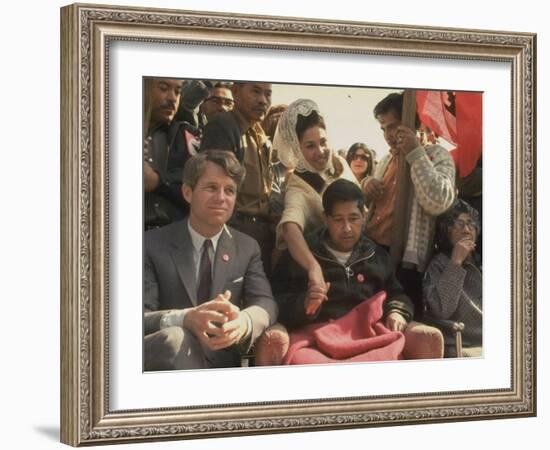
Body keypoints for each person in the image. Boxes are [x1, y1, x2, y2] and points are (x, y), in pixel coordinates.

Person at [266, 180, 444, 365]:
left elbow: (397, 293)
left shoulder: (376, 254)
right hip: (316, 340)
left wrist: (397, 312)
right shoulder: (303, 253)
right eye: (338, 220)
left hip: (369, 337)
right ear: (325, 218)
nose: (347, 228)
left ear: (364, 215)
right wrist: (304, 303)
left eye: (353, 218)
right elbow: (277, 300)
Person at [143, 151, 278, 370]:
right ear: (188, 192)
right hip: (167, 367)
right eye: (212, 188)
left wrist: (244, 322)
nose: (222, 198)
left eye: (230, 190)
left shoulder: (247, 247)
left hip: (221, 365)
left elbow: (265, 303)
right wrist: (185, 318)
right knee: (177, 338)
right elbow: (137, 316)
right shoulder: (151, 244)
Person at [363, 92, 456, 315]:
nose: (388, 135)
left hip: (407, 262)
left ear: (415, 123)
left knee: (401, 321)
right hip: (373, 251)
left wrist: (415, 153)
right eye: (383, 128)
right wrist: (367, 185)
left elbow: (438, 201)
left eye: (393, 126)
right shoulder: (385, 160)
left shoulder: (437, 156)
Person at [274, 99, 356, 315]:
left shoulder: (339, 163)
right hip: (326, 271)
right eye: (310, 146)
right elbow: (290, 226)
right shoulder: (297, 185)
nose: (320, 151)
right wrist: (313, 266)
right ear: (297, 148)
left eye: (323, 141)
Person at [200, 81, 276, 275]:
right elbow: (215, 191)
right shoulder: (223, 126)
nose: (263, 100)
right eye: (256, 92)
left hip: (260, 231)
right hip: (234, 231)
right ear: (236, 91)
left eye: (268, 94)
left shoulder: (260, 134)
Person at [423, 199, 482, 357]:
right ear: (446, 230)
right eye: (459, 223)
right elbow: (442, 310)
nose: (467, 230)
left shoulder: (482, 261)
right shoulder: (439, 264)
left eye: (471, 224)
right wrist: (456, 262)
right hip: (466, 342)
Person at [143, 78, 201, 230]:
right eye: (163, 88)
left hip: (172, 238)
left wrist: (157, 181)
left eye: (178, 91)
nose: (173, 98)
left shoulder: (187, 135)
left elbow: (199, 190)